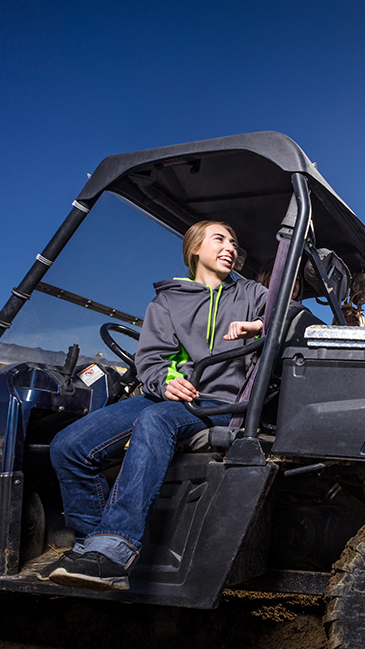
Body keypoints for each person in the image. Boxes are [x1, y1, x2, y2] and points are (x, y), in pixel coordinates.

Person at [47, 220, 267, 590]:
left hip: (218, 402)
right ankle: (91, 548)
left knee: (155, 421)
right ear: (195, 249)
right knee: (69, 446)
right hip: (165, 396)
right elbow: (150, 359)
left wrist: (258, 326)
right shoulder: (167, 300)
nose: (230, 247)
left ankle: (116, 549)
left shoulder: (251, 293)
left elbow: (296, 320)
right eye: (219, 239)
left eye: (233, 241)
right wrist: (167, 382)